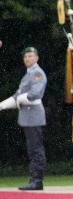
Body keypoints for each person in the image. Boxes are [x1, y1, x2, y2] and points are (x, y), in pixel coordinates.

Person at [0, 47, 48, 190]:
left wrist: (20, 99)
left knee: (36, 149)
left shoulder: (37, 73)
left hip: (33, 115)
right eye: (25, 57)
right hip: (28, 116)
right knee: (32, 148)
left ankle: (37, 180)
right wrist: (1, 106)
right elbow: (17, 96)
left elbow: (35, 94)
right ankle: (34, 179)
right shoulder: (28, 75)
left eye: (30, 56)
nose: (27, 59)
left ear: (36, 58)